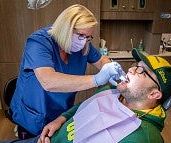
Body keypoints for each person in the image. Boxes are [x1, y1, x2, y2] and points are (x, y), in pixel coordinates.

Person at [4, 48, 171, 143]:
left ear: (155, 93)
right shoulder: (111, 91)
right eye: (135, 65)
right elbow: (83, 107)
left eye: (141, 71)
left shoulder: (143, 136)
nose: (132, 69)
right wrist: (61, 119)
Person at [10, 4, 124, 139]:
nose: (84, 41)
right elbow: (48, 81)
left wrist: (110, 67)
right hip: (33, 115)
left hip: (60, 112)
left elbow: (100, 60)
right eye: (81, 35)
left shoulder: (83, 45)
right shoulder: (38, 42)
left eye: (88, 37)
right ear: (65, 29)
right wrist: (96, 79)